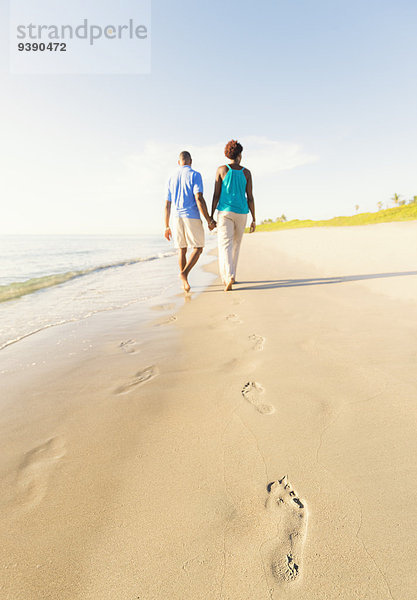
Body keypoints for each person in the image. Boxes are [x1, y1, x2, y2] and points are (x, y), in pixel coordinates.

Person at [165, 151, 216, 292]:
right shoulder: (195, 175)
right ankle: (184, 274)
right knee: (198, 248)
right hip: (191, 215)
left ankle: (184, 283)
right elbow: (198, 198)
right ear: (190, 161)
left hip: (176, 217)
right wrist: (209, 220)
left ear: (179, 162)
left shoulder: (171, 177)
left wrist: (166, 226)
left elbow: (167, 204)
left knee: (182, 249)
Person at [211, 140, 256, 291]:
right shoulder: (246, 172)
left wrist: (210, 216)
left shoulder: (221, 170)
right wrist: (254, 218)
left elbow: (216, 195)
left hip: (225, 212)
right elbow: (250, 197)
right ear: (239, 155)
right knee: (236, 245)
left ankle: (228, 276)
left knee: (225, 246)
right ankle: (232, 276)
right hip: (242, 213)